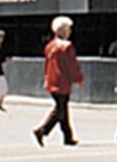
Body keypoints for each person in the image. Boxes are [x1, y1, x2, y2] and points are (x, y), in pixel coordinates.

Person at [33, 16, 84, 146]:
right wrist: (78, 78)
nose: (70, 32)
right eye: (68, 29)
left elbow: (47, 65)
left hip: (52, 80)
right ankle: (42, 130)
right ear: (63, 31)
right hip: (62, 81)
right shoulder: (67, 46)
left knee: (63, 108)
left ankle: (68, 136)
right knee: (59, 110)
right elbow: (72, 65)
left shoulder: (49, 46)